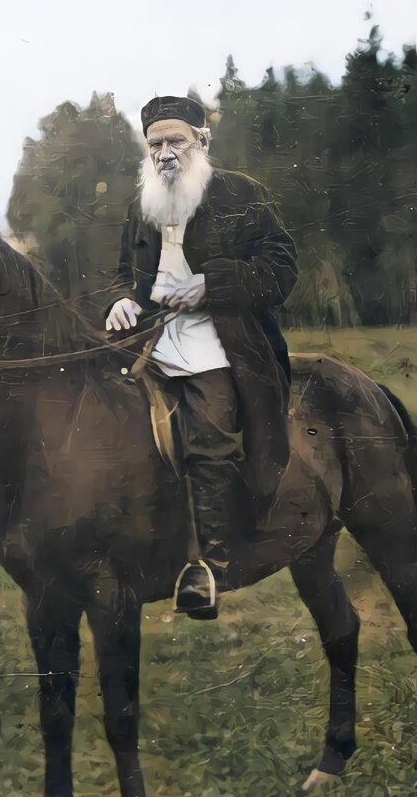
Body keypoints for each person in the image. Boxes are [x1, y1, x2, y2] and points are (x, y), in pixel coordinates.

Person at [106, 95, 297, 619]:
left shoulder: (241, 193)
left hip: (220, 337)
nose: (166, 154)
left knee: (211, 439)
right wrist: (122, 299)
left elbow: (282, 268)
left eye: (176, 142)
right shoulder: (139, 203)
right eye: (156, 145)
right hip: (148, 339)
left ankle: (209, 567)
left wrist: (212, 286)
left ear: (202, 141)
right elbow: (125, 272)